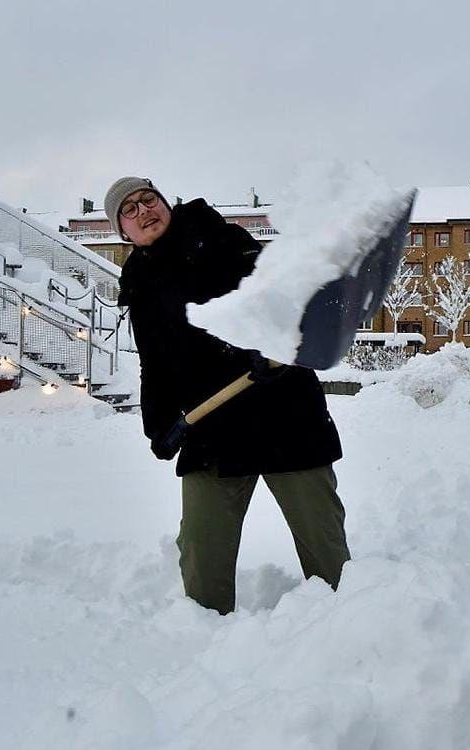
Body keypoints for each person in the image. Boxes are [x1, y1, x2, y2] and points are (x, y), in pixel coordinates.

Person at [109, 176, 349, 615]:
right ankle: (204, 646)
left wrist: (265, 342)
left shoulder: (218, 237)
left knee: (325, 547)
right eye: (130, 210)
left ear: (166, 204)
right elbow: (155, 365)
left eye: (149, 199)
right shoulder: (139, 284)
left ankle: (345, 633)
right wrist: (158, 425)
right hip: (212, 427)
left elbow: (278, 297)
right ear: (122, 231)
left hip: (284, 411)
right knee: (202, 555)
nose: (143, 211)